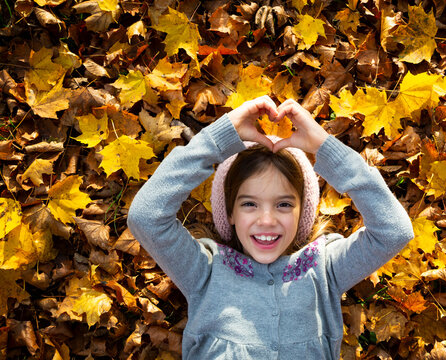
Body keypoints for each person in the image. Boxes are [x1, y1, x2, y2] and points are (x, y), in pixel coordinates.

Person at [127, 96, 414, 359]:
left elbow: (393, 231)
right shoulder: (205, 269)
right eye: (250, 204)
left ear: (304, 212)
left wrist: (324, 147)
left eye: (284, 205)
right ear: (229, 212)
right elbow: (146, 216)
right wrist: (217, 140)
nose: (267, 220)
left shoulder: (324, 268)